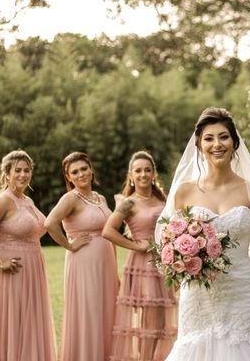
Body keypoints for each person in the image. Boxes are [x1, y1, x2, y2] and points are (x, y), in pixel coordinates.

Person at [159, 107, 250, 360]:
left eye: (223, 137)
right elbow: (170, 247)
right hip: (198, 297)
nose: (216, 144)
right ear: (198, 145)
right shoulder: (184, 192)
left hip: (241, 293)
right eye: (209, 138)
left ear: (234, 143)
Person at [0, 150, 56, 361]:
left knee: (30, 324)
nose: (22, 174)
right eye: (17, 170)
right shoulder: (3, 201)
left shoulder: (27, 200)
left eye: (26, 170)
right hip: (13, 272)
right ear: (7, 173)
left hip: (34, 270)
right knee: (14, 324)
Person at [103, 151, 177, 361]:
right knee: (150, 322)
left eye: (147, 170)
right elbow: (108, 230)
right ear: (131, 175)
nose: (143, 174)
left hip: (165, 264)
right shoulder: (129, 203)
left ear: (154, 173)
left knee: (161, 323)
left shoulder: (163, 198)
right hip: (143, 265)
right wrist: (136, 246)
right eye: (138, 170)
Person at [45, 152, 118, 361]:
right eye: (74, 172)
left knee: (107, 311)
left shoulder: (100, 198)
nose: (81, 174)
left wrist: (115, 270)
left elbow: (109, 231)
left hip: (106, 264)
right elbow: (50, 223)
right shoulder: (71, 198)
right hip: (83, 263)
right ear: (69, 177)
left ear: (91, 169)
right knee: (90, 312)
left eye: (84, 169)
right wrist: (69, 244)